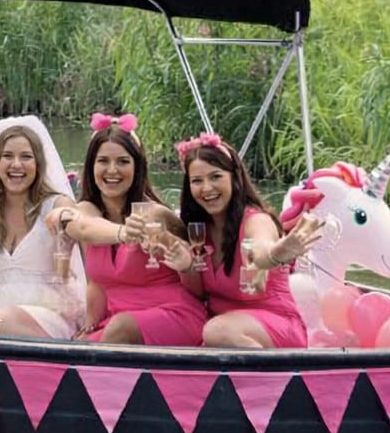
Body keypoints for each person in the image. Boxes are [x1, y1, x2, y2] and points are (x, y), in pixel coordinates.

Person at [49, 113, 205, 345]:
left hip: (172, 313)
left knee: (119, 328)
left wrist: (177, 252)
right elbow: (96, 281)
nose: (112, 170)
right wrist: (90, 322)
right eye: (103, 161)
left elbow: (197, 277)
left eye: (123, 161)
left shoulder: (153, 214)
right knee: (80, 344)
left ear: (137, 167)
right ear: (91, 166)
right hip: (116, 319)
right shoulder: (86, 214)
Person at [175, 133, 322, 349]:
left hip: (272, 326)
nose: (206, 188)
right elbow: (197, 292)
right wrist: (185, 266)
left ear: (234, 178)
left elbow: (260, 248)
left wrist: (276, 254)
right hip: (224, 330)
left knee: (216, 331)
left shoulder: (256, 220)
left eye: (216, 177)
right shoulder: (197, 229)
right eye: (197, 181)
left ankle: (270, 381)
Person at [0, 117, 84, 339]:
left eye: (26, 157)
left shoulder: (57, 205)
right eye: (7, 156)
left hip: (45, 308)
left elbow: (83, 229)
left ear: (38, 164)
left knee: (6, 322)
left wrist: (70, 219)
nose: (16, 165)